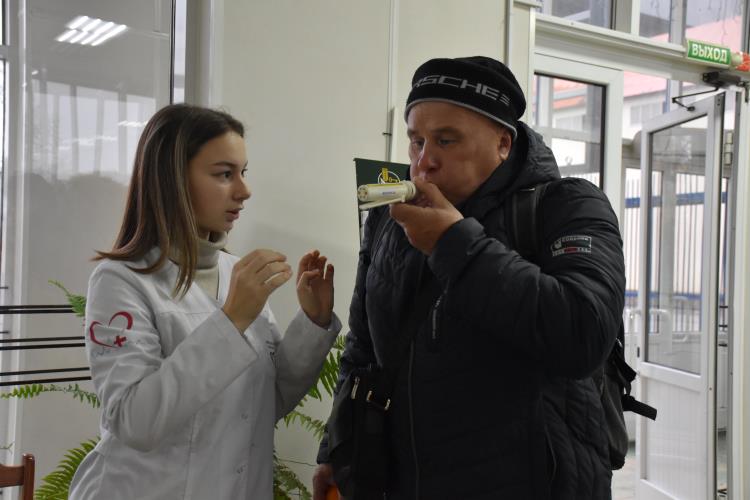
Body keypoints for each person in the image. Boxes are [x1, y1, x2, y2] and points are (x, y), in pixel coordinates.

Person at [313, 57, 625, 499]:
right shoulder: (390, 219)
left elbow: (583, 333)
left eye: (446, 140)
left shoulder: (566, 206)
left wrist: (452, 243)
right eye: (416, 141)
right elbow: (364, 347)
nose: (423, 163)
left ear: (503, 143)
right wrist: (336, 448)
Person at [69, 104, 341, 500]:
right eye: (225, 174)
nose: (244, 191)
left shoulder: (234, 274)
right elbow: (134, 421)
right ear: (173, 180)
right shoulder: (121, 280)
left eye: (243, 172)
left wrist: (312, 323)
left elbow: (265, 403)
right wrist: (231, 321)